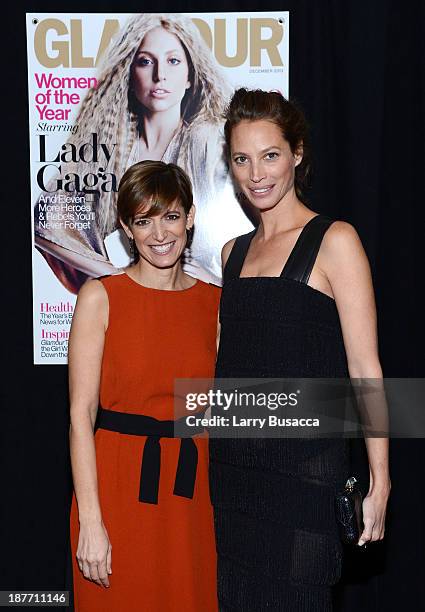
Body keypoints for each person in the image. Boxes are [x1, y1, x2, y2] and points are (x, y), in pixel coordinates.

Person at [208, 89, 390, 611]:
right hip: (236, 475)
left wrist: (380, 480)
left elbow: (365, 369)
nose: (256, 173)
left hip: (307, 473)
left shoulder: (336, 241)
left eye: (270, 155)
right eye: (242, 159)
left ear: (298, 154)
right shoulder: (231, 254)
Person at [69, 160, 220, 611]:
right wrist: (91, 523)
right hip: (115, 491)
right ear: (125, 228)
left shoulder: (214, 303)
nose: (160, 233)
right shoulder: (100, 296)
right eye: (144, 220)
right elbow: (81, 416)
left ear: (190, 218)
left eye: (171, 216)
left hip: (193, 498)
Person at [34, 13, 252, 293]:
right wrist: (114, 277)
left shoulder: (205, 139)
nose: (160, 75)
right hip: (129, 301)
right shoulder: (110, 149)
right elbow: (46, 220)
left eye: (173, 61)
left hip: (192, 300)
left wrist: (216, 282)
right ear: (128, 73)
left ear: (190, 75)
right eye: (146, 61)